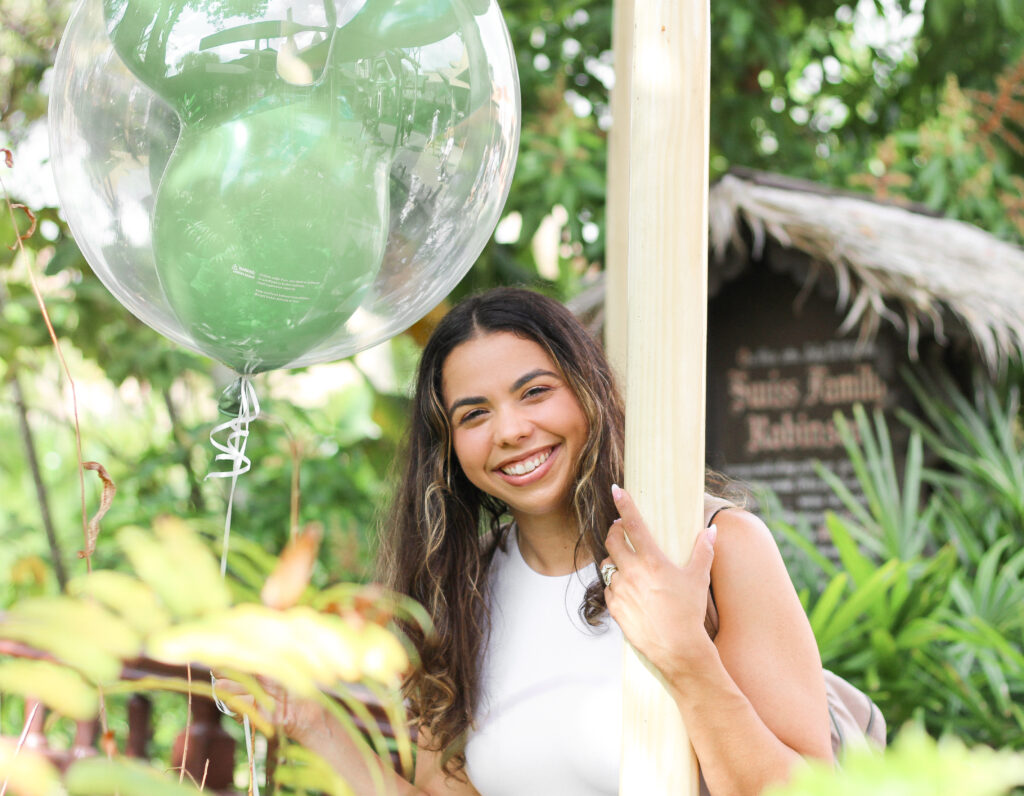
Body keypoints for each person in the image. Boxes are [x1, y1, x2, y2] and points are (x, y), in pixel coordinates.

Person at [272, 286, 833, 795]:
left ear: (588, 389)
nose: (511, 430)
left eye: (535, 392)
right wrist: (313, 725)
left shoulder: (715, 548)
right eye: (474, 415)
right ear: (449, 450)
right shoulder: (454, 593)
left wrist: (686, 654)